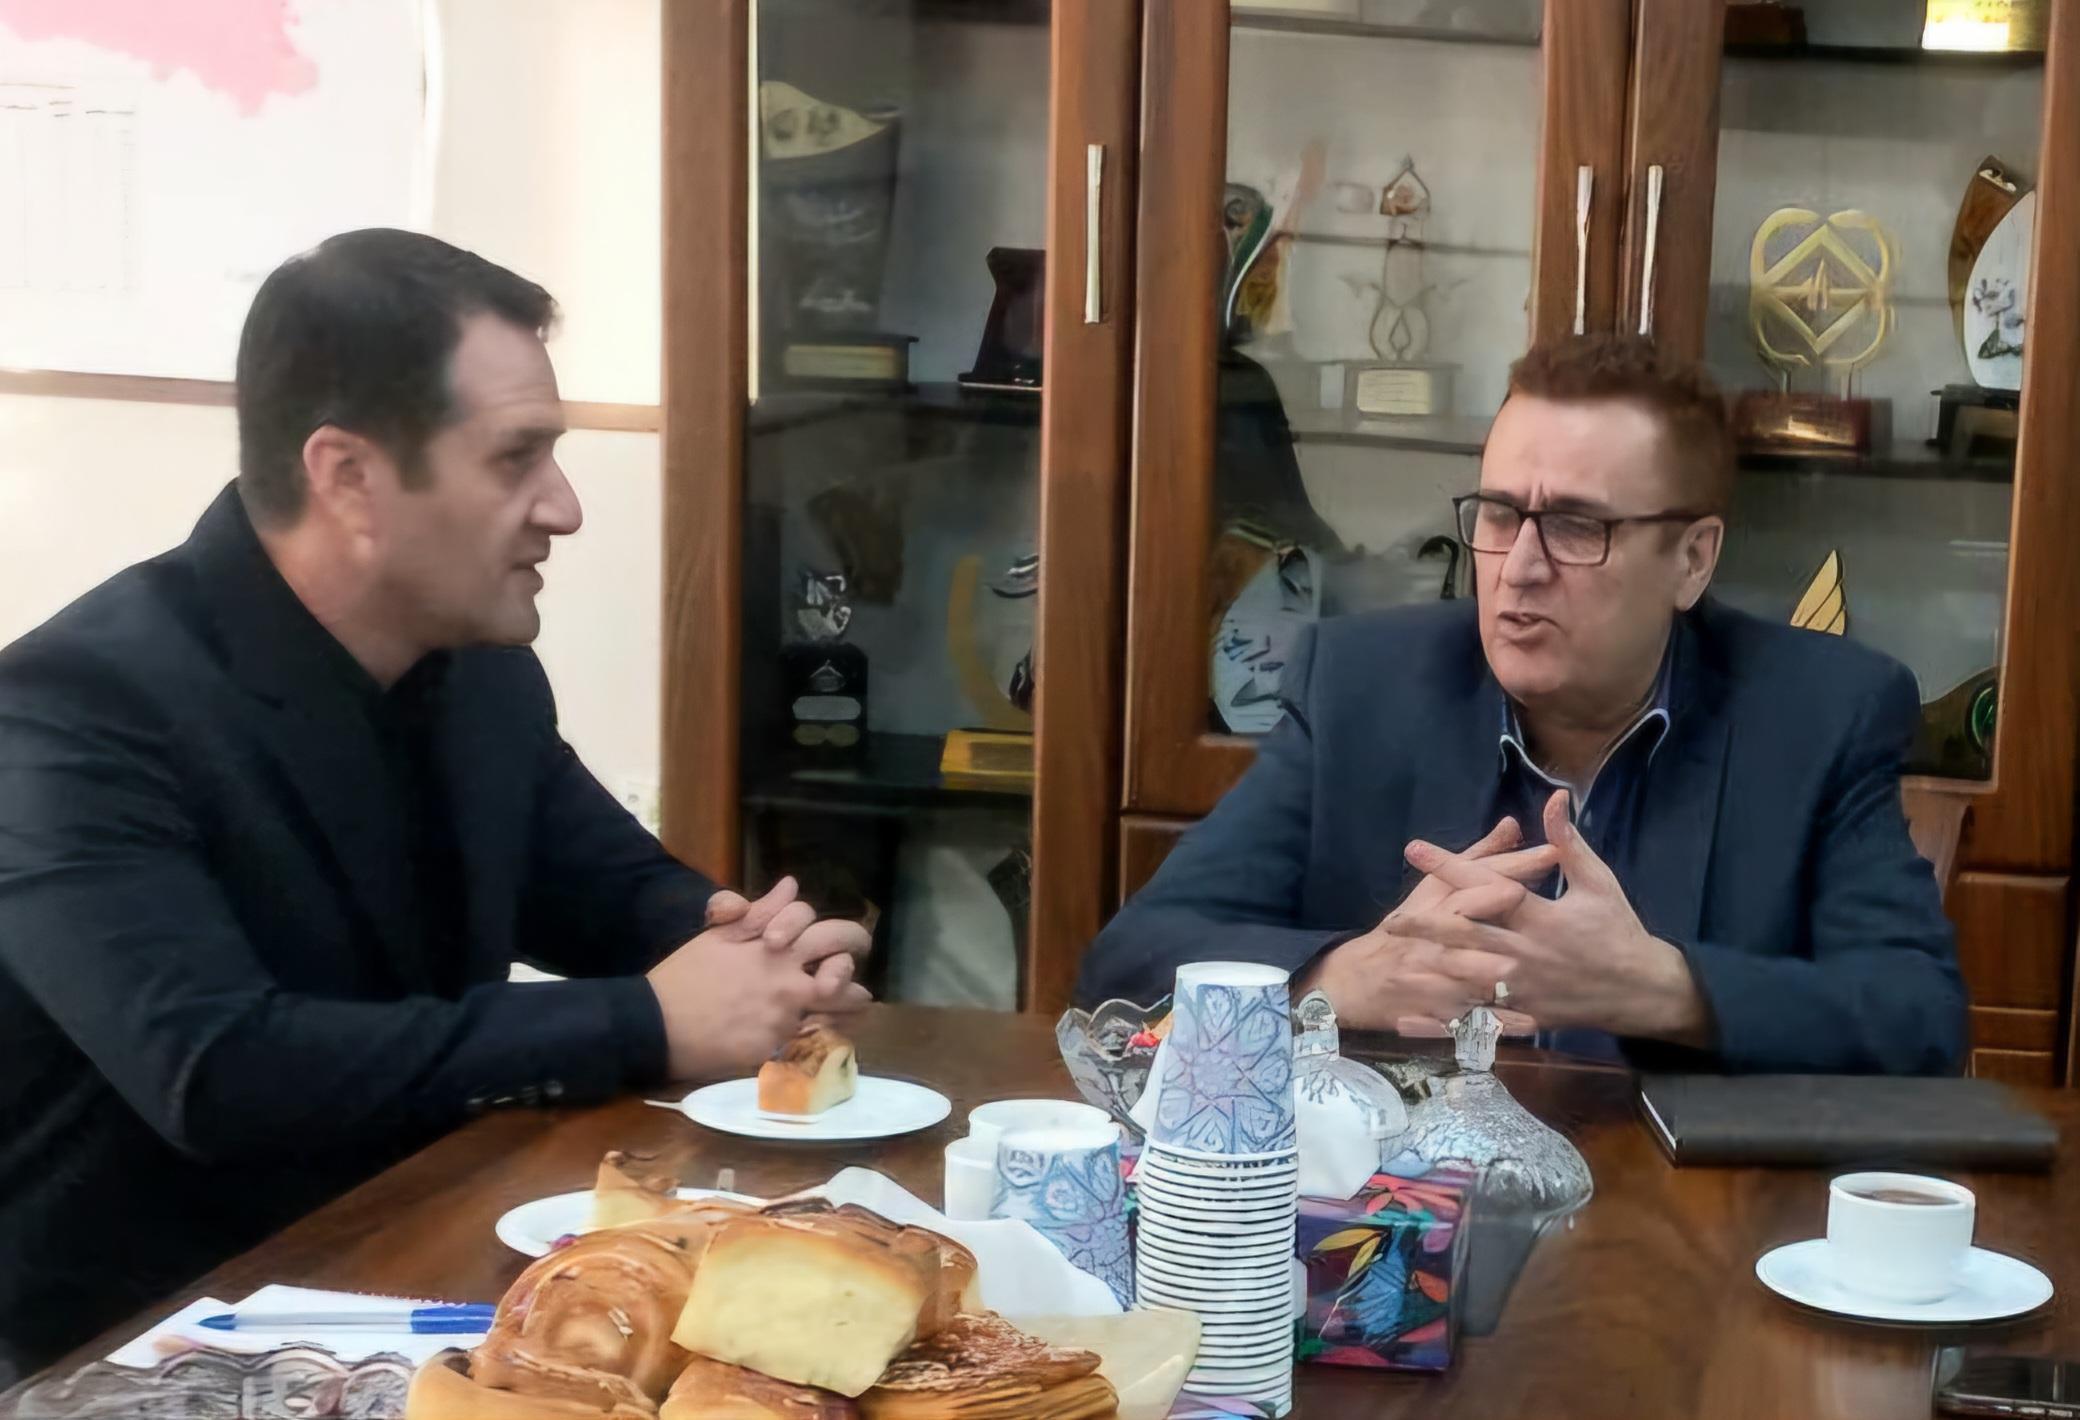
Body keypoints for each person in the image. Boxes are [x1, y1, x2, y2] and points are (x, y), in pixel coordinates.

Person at [0, 230, 871, 1380]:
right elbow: (214, 1069)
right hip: (139, 1349)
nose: (564, 507)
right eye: (517, 457)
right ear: (348, 477)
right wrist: (646, 1019)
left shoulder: (478, 675)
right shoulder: (71, 708)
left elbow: (605, 890)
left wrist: (751, 949)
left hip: (413, 1261)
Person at [1078, 333, 1966, 1078]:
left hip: (1684, 1207)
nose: (1520, 568)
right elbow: (1129, 961)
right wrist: (1342, 979)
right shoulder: (1361, 689)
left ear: (1692, 559)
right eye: (1501, 515)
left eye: (1579, 527)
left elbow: (1920, 1022)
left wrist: (1658, 989)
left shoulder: (1820, 715)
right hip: (1404, 1200)